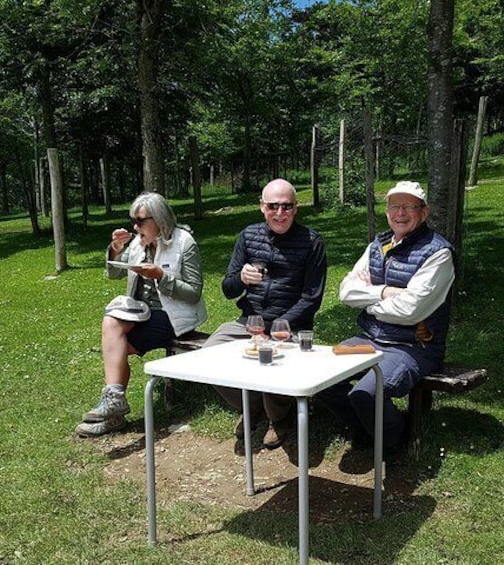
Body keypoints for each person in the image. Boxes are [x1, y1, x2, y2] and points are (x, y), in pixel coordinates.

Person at [317, 181, 455, 455]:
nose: (400, 213)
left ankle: (392, 441)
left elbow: (410, 311)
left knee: (366, 392)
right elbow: (345, 292)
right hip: (370, 338)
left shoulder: (438, 252)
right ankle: (366, 429)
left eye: (408, 207)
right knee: (321, 377)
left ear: (424, 213)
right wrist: (386, 292)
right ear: (387, 211)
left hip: (414, 347)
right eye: (394, 206)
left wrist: (369, 301)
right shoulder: (377, 245)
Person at [204, 178, 327, 449]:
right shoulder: (248, 236)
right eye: (273, 206)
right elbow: (227, 289)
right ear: (262, 207)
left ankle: (278, 418)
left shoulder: (312, 242)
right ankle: (252, 405)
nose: (280, 213)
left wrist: (282, 324)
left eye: (287, 206)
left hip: (290, 323)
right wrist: (242, 279)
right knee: (207, 354)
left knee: (277, 360)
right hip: (250, 321)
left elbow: (312, 297)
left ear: (296, 209)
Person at [75, 192, 207, 437]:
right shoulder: (138, 242)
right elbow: (115, 273)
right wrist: (115, 249)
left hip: (174, 315)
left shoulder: (184, 242)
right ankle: (115, 402)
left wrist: (161, 277)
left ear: (159, 219)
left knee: (115, 338)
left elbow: (194, 293)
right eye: (133, 221)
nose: (135, 227)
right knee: (113, 326)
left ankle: (114, 412)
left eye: (140, 221)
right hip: (141, 313)